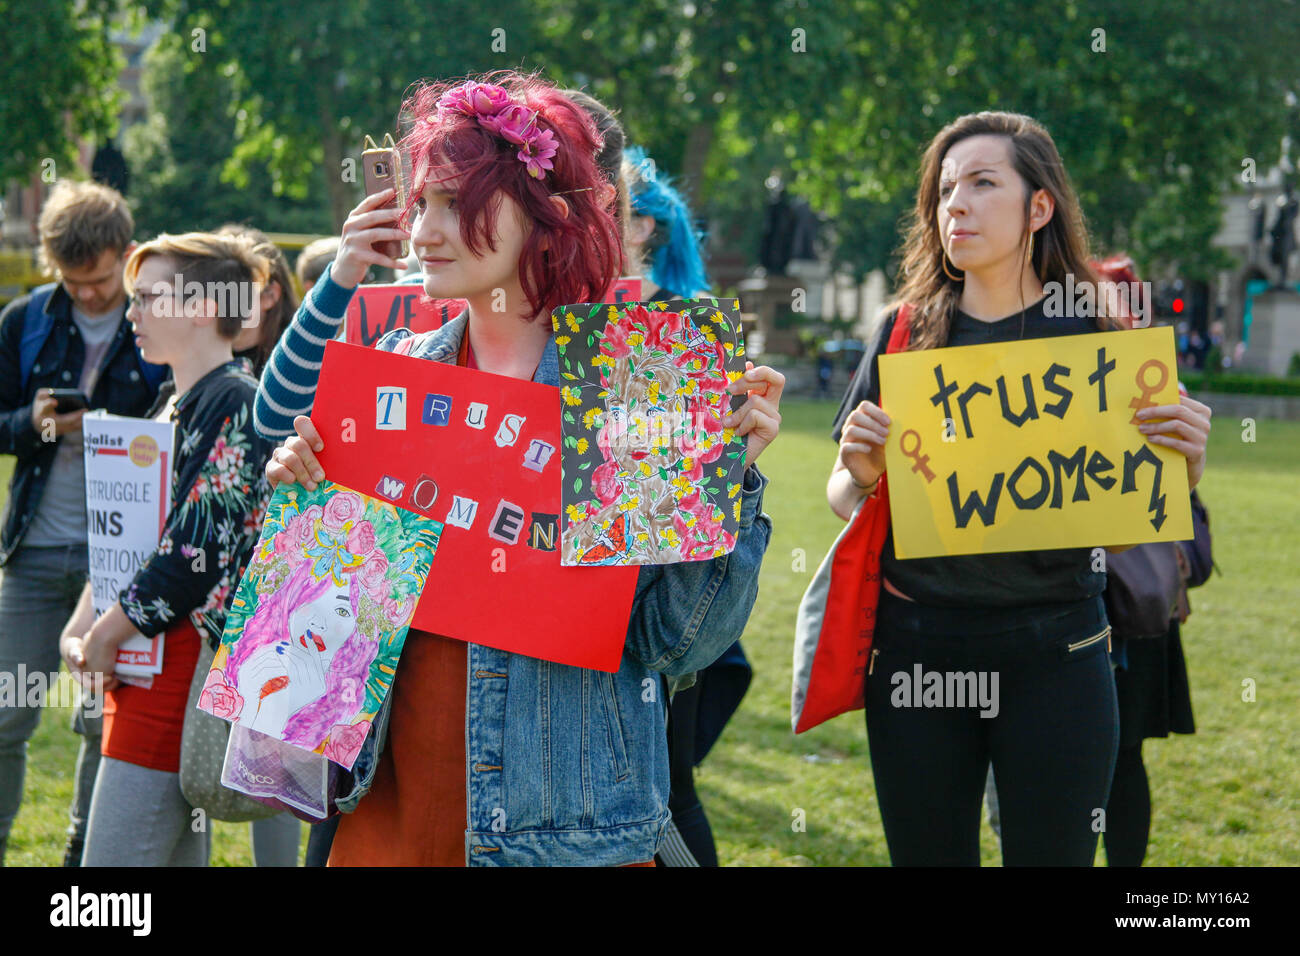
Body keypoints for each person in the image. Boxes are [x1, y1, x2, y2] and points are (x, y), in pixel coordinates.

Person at [255, 72, 783, 866]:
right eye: (422, 202)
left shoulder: (638, 388)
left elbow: (679, 645)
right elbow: (325, 651)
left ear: (548, 219)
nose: (424, 230)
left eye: (456, 203)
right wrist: (305, 520)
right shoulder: (389, 379)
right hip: (388, 821)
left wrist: (726, 483)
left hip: (568, 838)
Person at [828, 112, 1212, 866]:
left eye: (981, 184)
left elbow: (1123, 530)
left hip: (1057, 656)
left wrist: (1180, 472)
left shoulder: (1097, 340)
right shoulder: (906, 331)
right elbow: (845, 497)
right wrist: (860, 477)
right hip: (918, 657)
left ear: (1039, 207)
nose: (955, 207)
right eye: (943, 191)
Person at [58, 232, 276, 866]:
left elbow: (189, 555)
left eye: (149, 298)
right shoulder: (177, 398)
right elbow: (128, 533)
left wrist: (101, 636)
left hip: (175, 665)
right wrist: (87, 621)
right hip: (143, 656)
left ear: (205, 307)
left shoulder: (235, 400)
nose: (132, 314)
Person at [0, 180, 166, 867]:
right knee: (6, 715)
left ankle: (81, 851)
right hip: (35, 549)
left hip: (120, 558)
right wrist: (34, 424)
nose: (89, 295)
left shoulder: (163, 320)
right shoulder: (25, 320)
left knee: (109, 722)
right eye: (73, 281)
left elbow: (178, 430)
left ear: (127, 256)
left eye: (99, 281)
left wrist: (107, 430)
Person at [622, 143, 752, 866]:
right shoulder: (550, 316)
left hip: (666, 594)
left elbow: (701, 486)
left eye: (614, 211)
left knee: (671, 785)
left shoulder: (688, 323)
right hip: (588, 597)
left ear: (646, 229)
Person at [214, 223, 305, 866]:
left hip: (278, 583)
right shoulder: (215, 374)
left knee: (281, 763)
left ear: (268, 294)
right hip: (231, 589)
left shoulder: (272, 376)